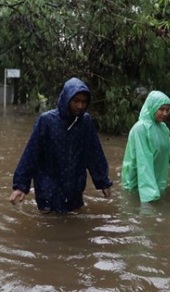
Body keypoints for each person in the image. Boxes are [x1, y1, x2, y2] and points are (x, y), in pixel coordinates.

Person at [9, 77, 113, 214]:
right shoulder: (46, 121)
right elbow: (31, 154)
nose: (80, 106)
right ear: (66, 99)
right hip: (47, 186)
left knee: (74, 222)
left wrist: (103, 182)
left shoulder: (85, 122)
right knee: (47, 223)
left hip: (74, 186)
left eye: (83, 102)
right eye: (76, 101)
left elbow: (94, 153)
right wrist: (20, 186)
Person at [121, 90, 170, 203]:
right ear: (152, 107)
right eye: (161, 109)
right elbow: (143, 161)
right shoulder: (140, 129)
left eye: (167, 110)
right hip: (137, 187)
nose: (165, 113)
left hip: (156, 183)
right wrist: (149, 196)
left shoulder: (163, 128)